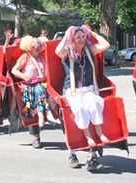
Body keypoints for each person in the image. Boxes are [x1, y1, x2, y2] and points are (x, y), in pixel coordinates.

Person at [55, 25, 110, 171]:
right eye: (78, 37)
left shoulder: (89, 49)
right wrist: (67, 35)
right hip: (72, 91)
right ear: (72, 38)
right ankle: (72, 153)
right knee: (79, 108)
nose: (81, 40)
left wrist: (91, 33)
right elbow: (57, 51)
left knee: (95, 104)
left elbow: (106, 45)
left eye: (82, 36)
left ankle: (93, 151)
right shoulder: (67, 51)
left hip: (88, 89)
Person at [11, 35, 48, 149]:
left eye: (39, 45)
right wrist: (23, 75)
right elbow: (14, 70)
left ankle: (48, 113)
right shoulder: (25, 57)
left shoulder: (43, 57)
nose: (37, 47)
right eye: (34, 45)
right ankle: (36, 137)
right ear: (29, 47)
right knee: (32, 101)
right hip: (28, 85)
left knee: (42, 90)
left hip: (43, 84)